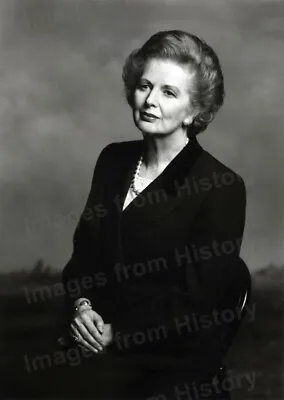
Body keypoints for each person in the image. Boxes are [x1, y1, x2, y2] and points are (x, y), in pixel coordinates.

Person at [61, 30, 251, 400]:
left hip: (171, 370)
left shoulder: (220, 185)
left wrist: (119, 332)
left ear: (196, 110)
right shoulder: (113, 160)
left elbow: (197, 300)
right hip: (96, 357)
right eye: (145, 86)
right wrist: (81, 307)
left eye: (168, 92)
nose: (149, 100)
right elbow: (83, 256)